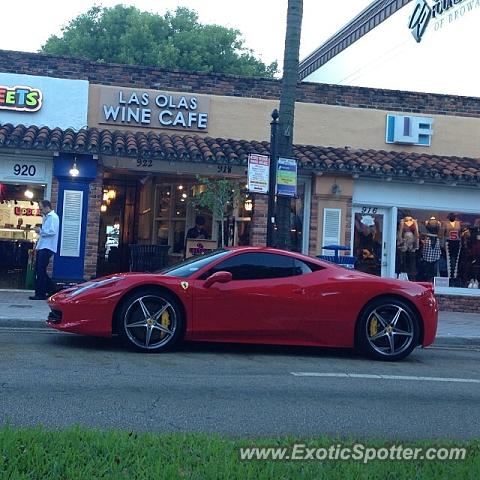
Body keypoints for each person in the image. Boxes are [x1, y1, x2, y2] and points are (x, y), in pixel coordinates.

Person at [29, 200, 60, 300]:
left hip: (47, 247)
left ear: (47, 207)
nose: (40, 210)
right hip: (44, 246)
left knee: (40, 270)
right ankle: (52, 290)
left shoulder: (53, 217)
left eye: (41, 207)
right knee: (40, 270)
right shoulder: (48, 217)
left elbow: (52, 232)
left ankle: (41, 293)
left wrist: (40, 231)